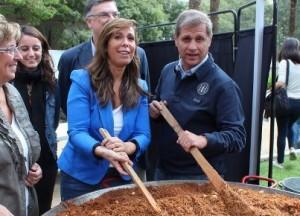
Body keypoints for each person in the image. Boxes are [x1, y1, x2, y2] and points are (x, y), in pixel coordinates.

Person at [58, 18, 150, 201]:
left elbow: (143, 134)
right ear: (105, 45)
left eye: (130, 38)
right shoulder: (82, 80)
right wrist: (103, 150)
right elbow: (77, 132)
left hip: (122, 176)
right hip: (80, 179)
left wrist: (127, 146)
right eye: (118, 37)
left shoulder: (140, 86)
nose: (126, 43)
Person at [149, 10, 246, 180]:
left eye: (199, 39)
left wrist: (203, 140)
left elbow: (237, 137)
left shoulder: (224, 85)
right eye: (186, 39)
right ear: (176, 40)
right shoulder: (167, 71)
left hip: (201, 177)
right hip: (163, 171)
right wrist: (155, 112)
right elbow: (158, 103)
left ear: (210, 40)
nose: (193, 47)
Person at [0, 19, 42, 216]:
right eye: (10, 48)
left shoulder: (10, 91)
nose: (18, 56)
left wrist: (29, 166)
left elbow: (23, 144)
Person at [58, 0, 150, 116]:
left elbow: (144, 99)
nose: (112, 19)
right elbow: (65, 103)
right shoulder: (69, 58)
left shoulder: (137, 54)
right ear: (89, 22)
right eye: (104, 15)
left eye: (115, 15)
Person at [14, 25, 59, 215]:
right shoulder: (7, 82)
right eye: (24, 49)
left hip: (46, 161)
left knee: (43, 214)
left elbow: (53, 122)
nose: (31, 54)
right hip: (17, 163)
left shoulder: (51, 82)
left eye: (36, 48)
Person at [273, 37, 300, 168]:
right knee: (290, 126)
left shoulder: (285, 63)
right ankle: (293, 148)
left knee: (282, 131)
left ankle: (280, 161)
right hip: (298, 103)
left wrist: (271, 86)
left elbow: (281, 83)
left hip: (285, 102)